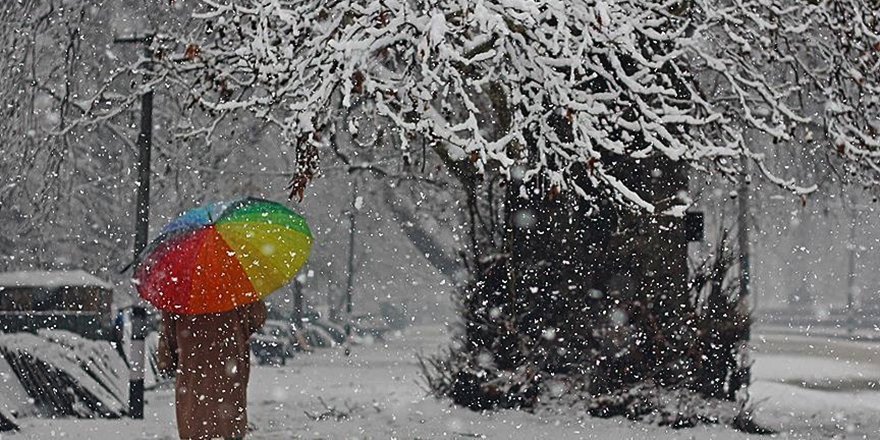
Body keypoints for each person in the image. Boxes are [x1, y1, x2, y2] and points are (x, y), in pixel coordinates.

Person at [158, 300, 267, 440]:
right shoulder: (236, 286)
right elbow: (257, 318)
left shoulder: (179, 292)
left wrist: (167, 362)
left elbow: (168, 336)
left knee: (195, 424)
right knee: (231, 424)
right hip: (229, 367)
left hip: (192, 372)